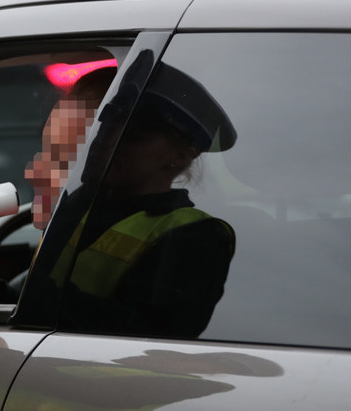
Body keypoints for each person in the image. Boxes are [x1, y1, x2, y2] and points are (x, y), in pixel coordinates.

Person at [20, 63, 237, 338]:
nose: (106, 142)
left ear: (181, 156)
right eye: (104, 128)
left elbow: (149, 331)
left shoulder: (196, 236)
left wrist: (37, 296)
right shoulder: (79, 204)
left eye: (130, 137)